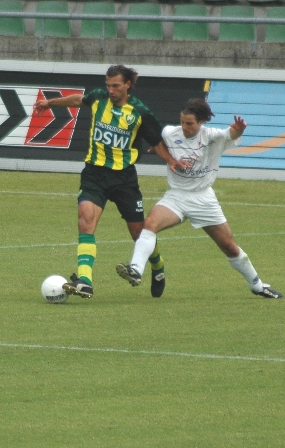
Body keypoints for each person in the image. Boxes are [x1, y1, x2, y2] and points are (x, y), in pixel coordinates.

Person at [34, 65, 185, 299]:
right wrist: (50, 103)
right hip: (94, 173)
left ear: (128, 85)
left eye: (115, 86)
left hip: (124, 179)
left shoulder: (140, 112)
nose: (111, 90)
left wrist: (171, 161)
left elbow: (156, 142)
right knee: (86, 219)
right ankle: (85, 279)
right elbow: (78, 100)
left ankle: (158, 266)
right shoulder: (98, 98)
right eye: (108, 85)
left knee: (139, 234)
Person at [115, 98, 283, 299]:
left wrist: (239, 129)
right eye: (182, 122)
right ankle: (135, 270)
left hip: (204, 199)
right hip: (176, 196)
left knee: (229, 246)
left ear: (201, 122)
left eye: (190, 124)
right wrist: (160, 152)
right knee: (149, 225)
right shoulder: (170, 132)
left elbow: (231, 134)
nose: (185, 127)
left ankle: (257, 285)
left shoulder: (212, 136)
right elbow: (157, 143)